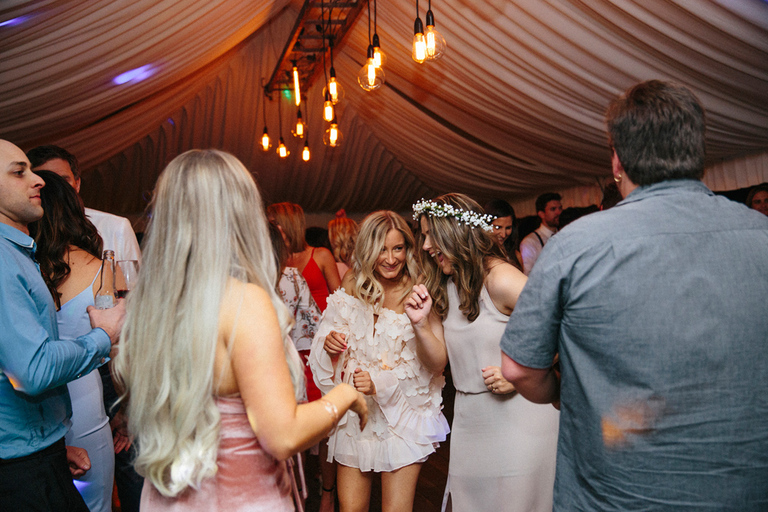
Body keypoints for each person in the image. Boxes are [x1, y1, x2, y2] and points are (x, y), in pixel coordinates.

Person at [500, 80, 768, 510]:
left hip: (618, 492)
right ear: (698, 152)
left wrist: (560, 394)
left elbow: (517, 368)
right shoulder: (762, 234)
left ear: (617, 160)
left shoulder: (575, 245)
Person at [112, 149, 367, 510]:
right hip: (241, 498)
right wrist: (344, 396)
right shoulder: (243, 301)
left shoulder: (149, 303)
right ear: (241, 215)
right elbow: (283, 435)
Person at [406, 194, 559, 512]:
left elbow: (563, 326)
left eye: (432, 234)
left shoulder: (500, 278)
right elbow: (438, 361)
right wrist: (420, 325)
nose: (426, 245)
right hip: (469, 419)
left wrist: (520, 373)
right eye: (424, 236)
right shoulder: (443, 283)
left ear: (456, 232)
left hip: (521, 421)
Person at [0, 139, 125, 511]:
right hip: (24, 464)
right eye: (19, 172)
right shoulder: (4, 260)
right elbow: (32, 370)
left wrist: (54, 448)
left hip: (39, 447)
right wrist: (103, 336)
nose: (38, 180)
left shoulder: (21, 254)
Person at [27, 143, 144, 511]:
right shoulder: (102, 270)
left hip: (33, 406)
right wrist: (127, 409)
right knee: (95, 501)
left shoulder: (21, 269)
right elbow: (124, 346)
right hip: (85, 398)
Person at [309, 211, 449, 512]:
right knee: (351, 508)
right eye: (381, 249)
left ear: (408, 248)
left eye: (398, 248)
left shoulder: (420, 287)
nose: (390, 258)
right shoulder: (353, 281)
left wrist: (380, 382)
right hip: (359, 414)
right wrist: (330, 345)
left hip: (402, 415)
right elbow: (329, 336)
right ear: (367, 250)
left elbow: (437, 363)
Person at [267, 201, 341, 511]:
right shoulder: (280, 273)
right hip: (288, 354)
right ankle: (297, 490)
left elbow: (338, 300)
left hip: (312, 348)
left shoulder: (317, 257)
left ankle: (322, 491)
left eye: (274, 222)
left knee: (321, 429)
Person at [27, 145, 141, 263]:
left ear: (77, 184)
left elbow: (132, 274)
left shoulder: (116, 228)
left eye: (64, 180)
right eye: (47, 181)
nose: (57, 188)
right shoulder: (23, 230)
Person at [519, 192, 562, 275]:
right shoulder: (530, 242)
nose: (558, 212)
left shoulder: (563, 235)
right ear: (541, 214)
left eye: (560, 208)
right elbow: (528, 275)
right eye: (553, 209)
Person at [484, 198, 522, 270]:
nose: (503, 235)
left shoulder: (516, 255)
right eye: (498, 227)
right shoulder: (480, 256)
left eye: (508, 228)